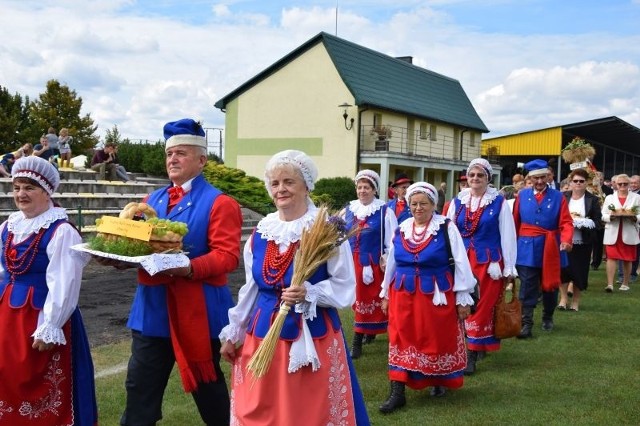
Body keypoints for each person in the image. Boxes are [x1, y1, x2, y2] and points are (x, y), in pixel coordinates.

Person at [219, 149, 370, 425]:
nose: (280, 189)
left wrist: (310, 293)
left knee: (307, 411)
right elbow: (252, 289)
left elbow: (345, 286)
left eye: (288, 182)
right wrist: (234, 331)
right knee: (261, 409)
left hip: (311, 336)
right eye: (274, 183)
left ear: (306, 185)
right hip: (263, 334)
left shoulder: (326, 230)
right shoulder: (262, 232)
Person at [116, 118, 243, 425]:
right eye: (169, 154)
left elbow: (227, 257)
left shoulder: (220, 202)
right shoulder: (150, 200)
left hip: (198, 312)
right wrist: (116, 257)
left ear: (201, 160)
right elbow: (139, 247)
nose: (172, 159)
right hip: (152, 311)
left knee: (209, 392)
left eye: (181, 153)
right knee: (139, 390)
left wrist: (188, 268)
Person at [0, 155, 97, 424]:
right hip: (7, 317)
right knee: (6, 378)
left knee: (41, 383)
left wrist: (51, 325)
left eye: (29, 188)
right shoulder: (8, 226)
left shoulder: (61, 231)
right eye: (17, 187)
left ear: (47, 191)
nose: (21, 194)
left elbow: (64, 283)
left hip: (41, 317)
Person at [378, 182, 475, 413]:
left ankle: (437, 380)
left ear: (434, 205)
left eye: (423, 203)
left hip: (435, 294)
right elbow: (392, 262)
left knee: (434, 338)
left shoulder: (445, 228)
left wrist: (463, 297)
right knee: (399, 338)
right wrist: (385, 293)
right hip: (402, 292)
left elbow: (461, 262)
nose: (418, 208)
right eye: (414, 204)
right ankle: (397, 391)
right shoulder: (402, 228)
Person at [446, 158, 517, 375]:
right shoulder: (457, 201)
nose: (475, 179)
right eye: (472, 175)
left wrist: (509, 266)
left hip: (488, 262)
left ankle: (472, 354)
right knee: (461, 301)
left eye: (480, 175)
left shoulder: (498, 203)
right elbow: (448, 232)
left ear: (488, 178)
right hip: (462, 260)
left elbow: (508, 234)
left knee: (482, 305)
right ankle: (469, 344)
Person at [512, 159, 573, 337]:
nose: (539, 182)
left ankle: (548, 316)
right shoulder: (522, 196)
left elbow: (566, 222)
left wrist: (567, 239)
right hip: (526, 248)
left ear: (548, 177)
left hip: (551, 247)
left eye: (543, 177)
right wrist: (511, 247)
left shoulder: (558, 197)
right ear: (529, 179)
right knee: (527, 286)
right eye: (535, 178)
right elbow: (515, 222)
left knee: (550, 285)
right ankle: (526, 323)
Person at [344, 169, 398, 358]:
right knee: (358, 301)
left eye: (366, 187)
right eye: (359, 187)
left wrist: (387, 258)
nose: (362, 191)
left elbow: (393, 240)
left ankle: (358, 340)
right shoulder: (349, 210)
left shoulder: (384, 211)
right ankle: (366, 333)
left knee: (372, 301)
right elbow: (341, 236)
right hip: (353, 263)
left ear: (374, 190)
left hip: (373, 265)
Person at [558, 168, 602, 311]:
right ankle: (563, 299)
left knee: (579, 271)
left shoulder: (593, 199)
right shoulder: (563, 196)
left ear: (586, 183)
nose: (578, 183)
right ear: (570, 182)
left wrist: (585, 222)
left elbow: (597, 222)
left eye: (581, 181)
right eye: (575, 181)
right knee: (563, 270)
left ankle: (575, 302)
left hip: (583, 241)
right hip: (565, 239)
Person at [602, 173, 640, 293]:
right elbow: (603, 214)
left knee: (627, 259)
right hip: (613, 230)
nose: (623, 186)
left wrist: (635, 218)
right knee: (611, 258)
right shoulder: (609, 198)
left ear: (629, 184)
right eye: (620, 184)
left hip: (629, 231)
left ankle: (625, 283)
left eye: (625, 183)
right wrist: (611, 217)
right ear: (616, 185)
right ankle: (610, 284)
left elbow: (639, 214)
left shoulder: (636, 197)